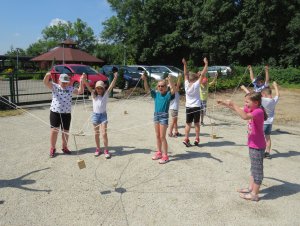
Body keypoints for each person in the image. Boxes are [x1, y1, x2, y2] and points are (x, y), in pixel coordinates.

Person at [217, 92, 268, 201]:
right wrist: (225, 104)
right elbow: (239, 110)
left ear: (256, 102)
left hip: (258, 146)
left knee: (257, 171)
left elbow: (244, 117)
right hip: (253, 144)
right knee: (253, 168)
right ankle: (251, 188)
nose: (245, 104)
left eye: (247, 102)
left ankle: (254, 194)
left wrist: (233, 104)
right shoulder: (252, 109)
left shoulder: (258, 111)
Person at [43, 72, 84, 158]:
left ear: (68, 82)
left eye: (66, 82)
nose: (64, 84)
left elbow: (80, 91)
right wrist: (47, 75)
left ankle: (64, 147)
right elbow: (45, 82)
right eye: (63, 82)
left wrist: (81, 81)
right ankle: (52, 148)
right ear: (59, 81)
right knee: (54, 131)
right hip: (55, 112)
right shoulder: (55, 86)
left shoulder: (70, 88)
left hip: (66, 113)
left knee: (65, 132)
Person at [82, 69, 118, 159]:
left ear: (103, 89)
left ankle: (106, 150)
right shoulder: (94, 95)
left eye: (100, 88)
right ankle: (98, 149)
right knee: (96, 134)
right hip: (95, 115)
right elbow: (87, 85)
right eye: (97, 88)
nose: (99, 89)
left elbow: (111, 86)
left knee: (104, 134)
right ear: (95, 88)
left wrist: (115, 78)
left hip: (103, 115)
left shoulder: (105, 95)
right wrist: (84, 78)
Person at [141, 73, 175, 164]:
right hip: (156, 115)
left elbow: (173, 90)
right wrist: (144, 80)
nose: (160, 87)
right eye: (159, 86)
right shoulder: (156, 95)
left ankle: (165, 156)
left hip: (164, 116)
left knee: (162, 136)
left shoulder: (168, 95)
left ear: (166, 87)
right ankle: (159, 152)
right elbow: (147, 89)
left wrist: (170, 80)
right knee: (157, 135)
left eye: (162, 86)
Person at [182, 57, 208, 147]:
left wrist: (185, 64)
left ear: (189, 79)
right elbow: (203, 74)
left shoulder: (186, 85)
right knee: (196, 123)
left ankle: (186, 138)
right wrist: (206, 64)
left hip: (188, 107)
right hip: (196, 106)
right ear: (195, 79)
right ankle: (197, 138)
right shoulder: (196, 84)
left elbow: (185, 74)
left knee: (188, 124)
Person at [261, 81, 279, 159]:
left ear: (264, 94)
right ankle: (267, 153)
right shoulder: (273, 101)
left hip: (263, 123)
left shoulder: (263, 100)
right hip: (269, 123)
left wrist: (244, 88)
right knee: (267, 138)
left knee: (260, 138)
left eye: (262, 94)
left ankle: (260, 152)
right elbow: (278, 95)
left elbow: (252, 95)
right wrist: (275, 86)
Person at [168, 73, 182, 137]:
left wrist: (169, 79)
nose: (178, 87)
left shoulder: (176, 92)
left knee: (175, 121)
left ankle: (176, 132)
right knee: (173, 121)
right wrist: (171, 79)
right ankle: (170, 132)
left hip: (175, 108)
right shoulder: (174, 91)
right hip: (173, 108)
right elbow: (175, 85)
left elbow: (177, 84)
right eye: (176, 86)